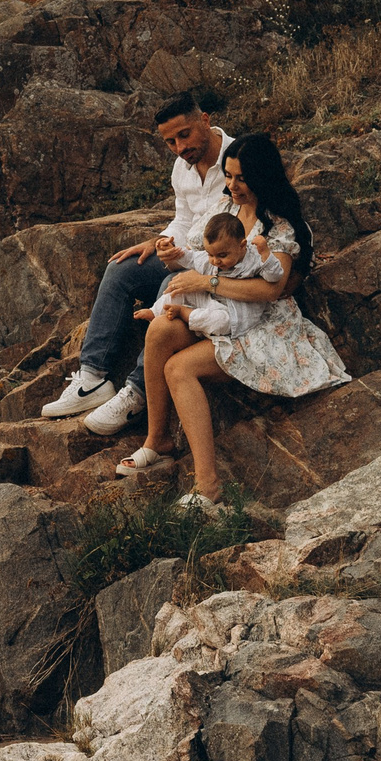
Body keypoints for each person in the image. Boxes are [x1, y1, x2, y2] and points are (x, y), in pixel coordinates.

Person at [112, 132, 349, 505]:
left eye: (241, 177)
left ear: (262, 176)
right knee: (159, 329)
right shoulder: (224, 209)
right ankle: (157, 440)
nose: (232, 185)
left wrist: (208, 280)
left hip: (258, 322)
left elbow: (271, 289)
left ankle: (208, 488)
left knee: (179, 368)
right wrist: (170, 253)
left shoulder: (279, 226)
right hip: (212, 308)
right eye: (228, 175)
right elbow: (195, 254)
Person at [40, 93, 231, 433]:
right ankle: (92, 379)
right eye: (170, 141)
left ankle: (137, 392)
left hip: (218, 261)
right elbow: (183, 218)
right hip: (183, 252)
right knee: (121, 269)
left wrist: (186, 257)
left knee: (169, 285)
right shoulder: (182, 167)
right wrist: (160, 241)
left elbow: (241, 224)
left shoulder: (236, 159)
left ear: (204, 121)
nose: (178, 147)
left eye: (184, 135)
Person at [134, 211, 277, 340]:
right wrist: (172, 250)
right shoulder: (211, 259)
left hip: (233, 311)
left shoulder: (254, 259)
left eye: (222, 255)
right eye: (210, 254)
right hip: (210, 300)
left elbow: (274, 277)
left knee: (221, 322)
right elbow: (190, 257)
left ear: (242, 245)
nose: (215, 261)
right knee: (178, 291)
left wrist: (266, 255)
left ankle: (185, 313)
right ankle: (155, 311)